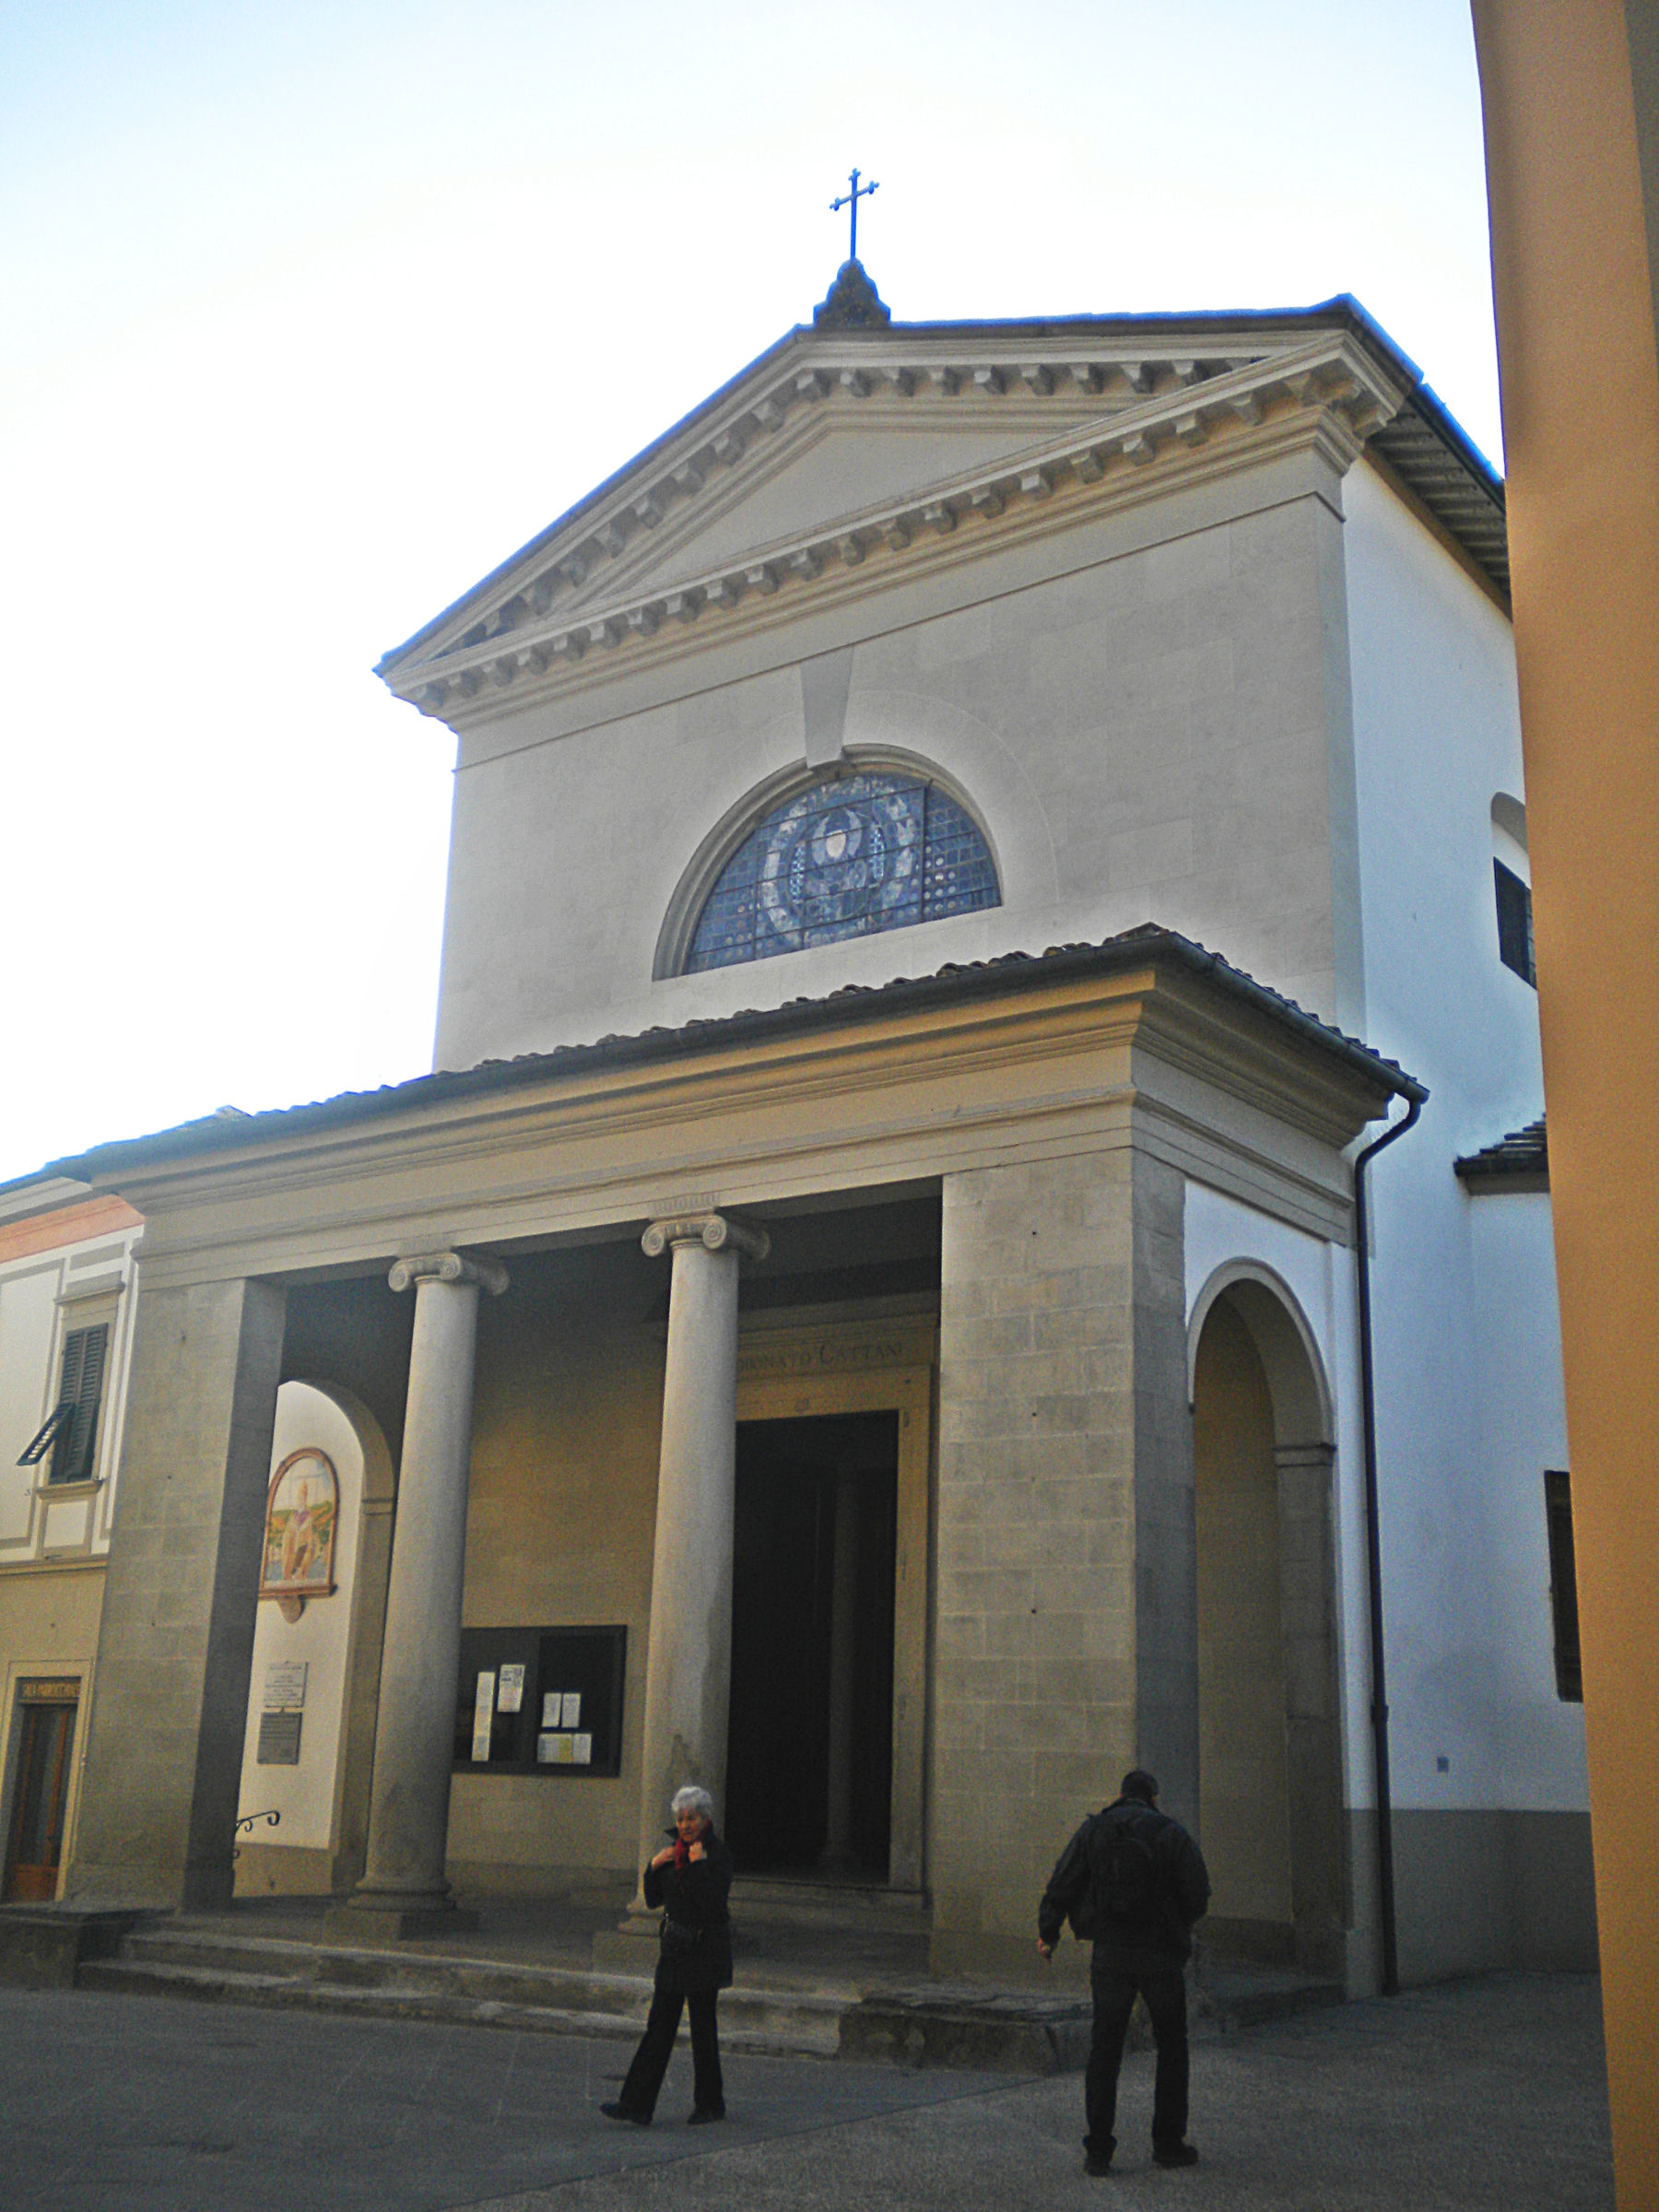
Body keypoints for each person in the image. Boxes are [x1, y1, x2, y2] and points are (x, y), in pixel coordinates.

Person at [1038, 1767, 1211, 2176]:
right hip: (1160, 1956)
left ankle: (1098, 2150)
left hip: (1111, 1954)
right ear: (1154, 1798)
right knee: (1171, 2044)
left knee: (1105, 2048)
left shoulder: (1095, 1830)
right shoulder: (1172, 1833)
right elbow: (1198, 1896)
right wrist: (1174, 1924)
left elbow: (1062, 1883)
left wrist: (1049, 1933)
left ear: (1120, 1795)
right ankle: (1168, 2143)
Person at [601, 1784, 734, 2126]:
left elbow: (714, 1903)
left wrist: (700, 1865)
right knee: (658, 2028)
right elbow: (653, 1900)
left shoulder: (717, 1854)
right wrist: (652, 1866)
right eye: (681, 1818)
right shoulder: (673, 1853)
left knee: (703, 2031)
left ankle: (710, 2104)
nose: (686, 1824)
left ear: (705, 1819)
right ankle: (636, 2105)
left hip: (705, 1953)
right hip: (674, 1953)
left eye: (692, 1818)